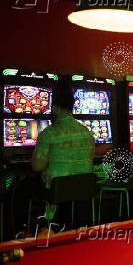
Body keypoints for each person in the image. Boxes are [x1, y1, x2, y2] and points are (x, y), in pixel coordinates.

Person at [14, 91, 94, 234]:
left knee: (20, 188)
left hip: (58, 189)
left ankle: (23, 231)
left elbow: (37, 167)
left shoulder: (48, 133)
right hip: (83, 188)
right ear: (71, 108)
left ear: (55, 108)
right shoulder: (86, 131)